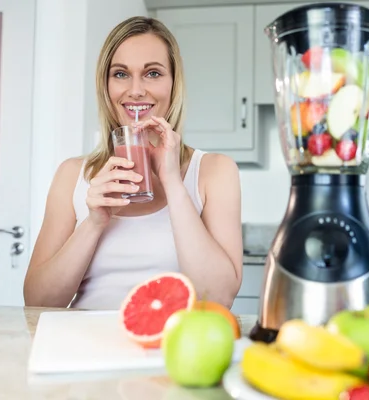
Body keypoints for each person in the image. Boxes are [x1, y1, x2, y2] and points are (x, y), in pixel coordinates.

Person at [23, 16, 243, 310]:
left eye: (153, 73)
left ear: (174, 83)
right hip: (84, 347)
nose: (136, 90)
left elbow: (218, 297)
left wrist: (173, 184)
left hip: (171, 350)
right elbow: (37, 302)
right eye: (121, 74)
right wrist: (94, 222)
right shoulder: (72, 175)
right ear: (106, 85)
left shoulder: (215, 171)